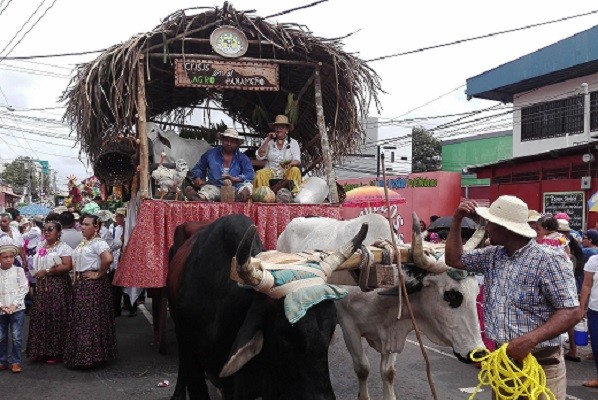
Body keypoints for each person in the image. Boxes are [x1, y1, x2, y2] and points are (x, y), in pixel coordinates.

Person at [445, 195, 580, 399]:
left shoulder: (549, 260)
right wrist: (456, 221)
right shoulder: (492, 255)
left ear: (504, 228)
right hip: (504, 363)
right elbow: (454, 259)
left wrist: (530, 340)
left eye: (490, 223)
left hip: (542, 365)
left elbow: (571, 311)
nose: (487, 227)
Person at [64, 214, 117, 368]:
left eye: (87, 224)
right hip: (82, 284)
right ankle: (84, 356)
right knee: (82, 320)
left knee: (90, 320)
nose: (83, 227)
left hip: (92, 286)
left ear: (96, 226)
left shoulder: (98, 243)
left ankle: (92, 357)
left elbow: (107, 258)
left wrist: (98, 274)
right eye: (82, 224)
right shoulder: (84, 242)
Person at [27, 221, 73, 364]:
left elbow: (67, 266)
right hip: (42, 286)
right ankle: (40, 350)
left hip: (57, 286)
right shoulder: (41, 246)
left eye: (50, 229)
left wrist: (47, 271)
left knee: (56, 317)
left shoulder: (63, 248)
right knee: (41, 317)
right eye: (45, 230)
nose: (46, 232)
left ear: (58, 232)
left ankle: (57, 352)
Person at [185, 128, 255, 202]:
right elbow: (198, 167)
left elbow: (250, 174)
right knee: (207, 191)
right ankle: (198, 197)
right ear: (222, 140)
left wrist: (235, 179)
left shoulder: (243, 157)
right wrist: (197, 178)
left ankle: (240, 197)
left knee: (248, 186)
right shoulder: (210, 154)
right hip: (215, 186)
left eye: (232, 141)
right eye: (226, 140)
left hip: (236, 187)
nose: (229, 143)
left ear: (237, 144)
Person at [0, 237, 29, 373]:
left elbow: (24, 288)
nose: (8, 259)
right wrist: (1, 305)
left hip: (17, 309)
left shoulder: (19, 271)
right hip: (1, 309)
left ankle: (16, 361)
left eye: (11, 256)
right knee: (1, 336)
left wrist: (14, 305)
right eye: (5, 257)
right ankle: (3, 360)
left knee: (17, 336)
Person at [253, 115, 302, 193]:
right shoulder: (269, 141)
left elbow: (297, 161)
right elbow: (260, 156)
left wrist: (287, 164)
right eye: (276, 127)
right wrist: (268, 139)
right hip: (270, 172)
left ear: (287, 129)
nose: (278, 129)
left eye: (281, 127)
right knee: (260, 173)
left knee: (295, 170)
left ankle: (293, 194)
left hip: (286, 173)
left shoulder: (293, 142)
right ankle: (265, 196)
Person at [580, 253, 598, 388]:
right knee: (596, 345)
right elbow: (586, 285)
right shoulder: (594, 260)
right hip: (595, 310)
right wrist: (581, 308)